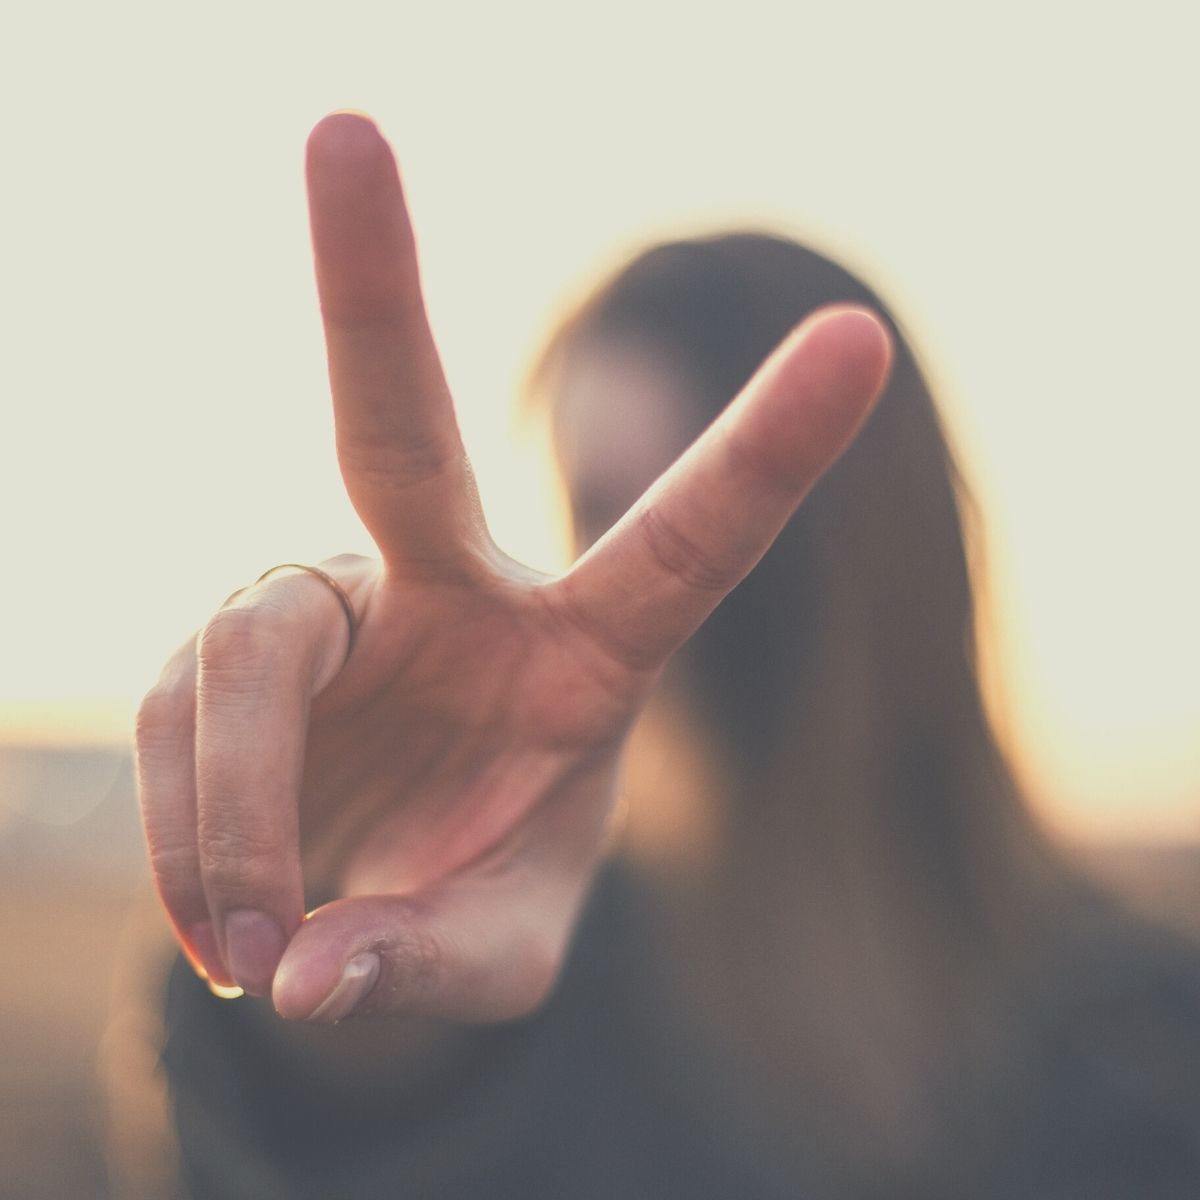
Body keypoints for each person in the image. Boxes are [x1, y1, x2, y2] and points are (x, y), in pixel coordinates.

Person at [136, 113, 1200, 1198]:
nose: (628, 586)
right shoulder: (534, 988)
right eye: (595, 511)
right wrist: (349, 941)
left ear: (878, 543)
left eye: (709, 506)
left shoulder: (1150, 1042)